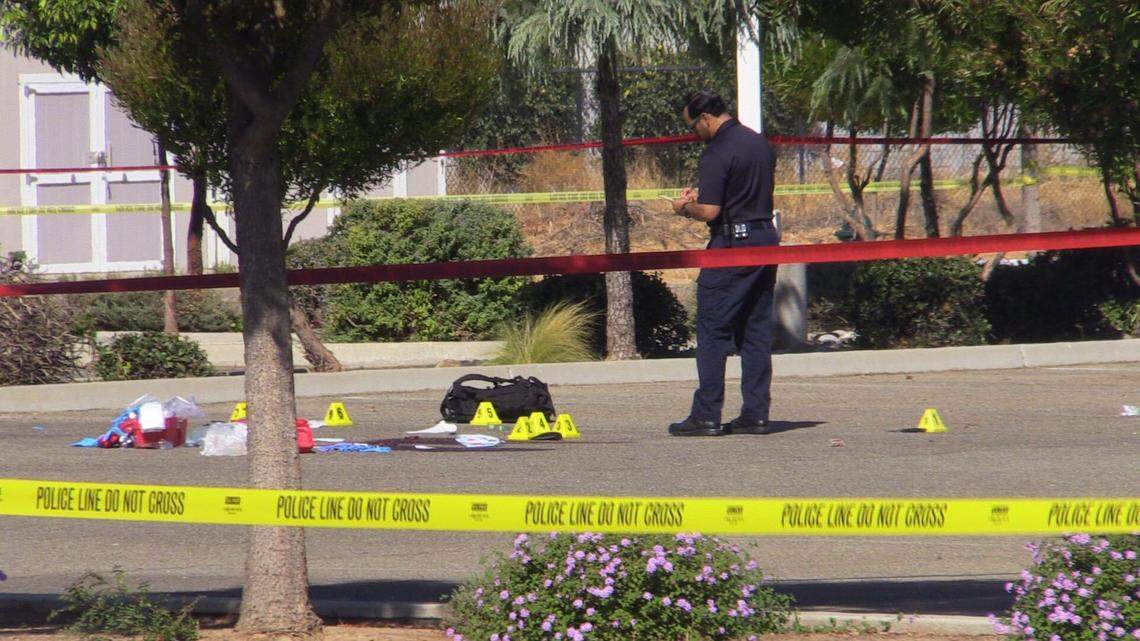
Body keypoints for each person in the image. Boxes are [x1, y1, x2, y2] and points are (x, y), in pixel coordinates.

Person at [668, 90, 779, 437]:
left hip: (732, 244)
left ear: (705, 118)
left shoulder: (716, 151)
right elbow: (739, 195)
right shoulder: (759, 143)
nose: (694, 135)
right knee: (755, 330)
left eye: (693, 127)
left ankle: (706, 415)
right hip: (764, 238)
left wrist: (683, 207)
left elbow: (712, 212)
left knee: (713, 328)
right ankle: (756, 413)